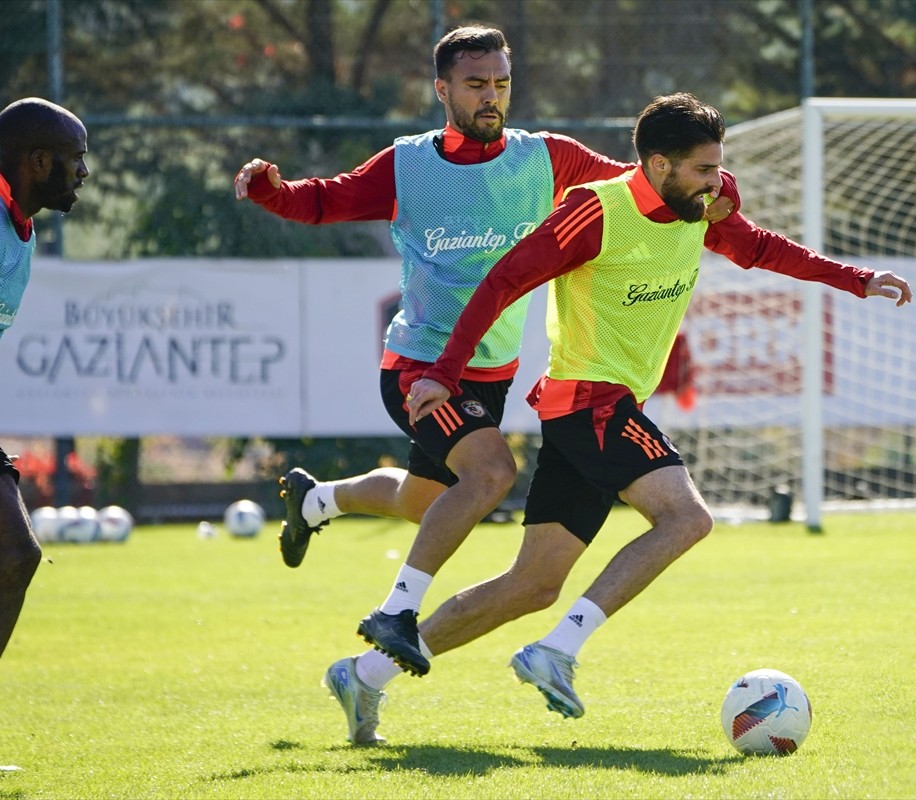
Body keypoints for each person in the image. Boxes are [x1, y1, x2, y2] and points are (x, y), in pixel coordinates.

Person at [337, 91, 911, 732]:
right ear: (659, 164)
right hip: (590, 402)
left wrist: (856, 278)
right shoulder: (594, 211)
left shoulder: (700, 207)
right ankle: (558, 651)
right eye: (704, 169)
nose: (717, 181)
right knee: (687, 518)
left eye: (719, 168)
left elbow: (760, 247)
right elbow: (502, 281)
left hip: (595, 408)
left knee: (533, 585)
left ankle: (363, 676)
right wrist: (445, 372)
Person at [233, 26, 733, 715]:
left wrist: (717, 186)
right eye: (475, 84)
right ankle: (396, 611)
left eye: (500, 83)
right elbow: (322, 200)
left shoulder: (547, 157)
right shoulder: (408, 165)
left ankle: (318, 505)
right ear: (442, 90)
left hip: (490, 374)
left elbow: (646, 181)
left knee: (424, 502)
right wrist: (273, 191)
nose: (491, 96)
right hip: (421, 367)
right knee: (491, 473)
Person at [0, 98, 90, 772]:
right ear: (39, 162)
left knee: (12, 556)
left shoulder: (16, 225)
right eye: (75, 159)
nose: (83, 172)